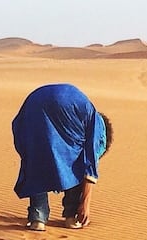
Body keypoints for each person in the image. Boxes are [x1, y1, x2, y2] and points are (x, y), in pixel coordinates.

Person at [12, 83, 113, 231]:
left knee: (37, 156)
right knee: (77, 161)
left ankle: (37, 219)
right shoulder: (95, 124)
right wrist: (85, 204)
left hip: (32, 104)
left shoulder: (84, 115)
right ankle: (71, 217)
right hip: (60, 105)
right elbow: (89, 164)